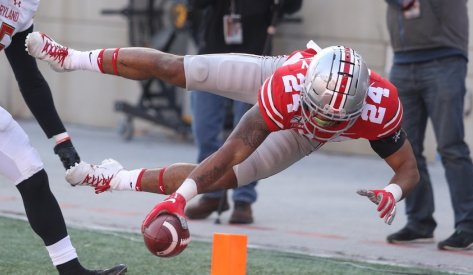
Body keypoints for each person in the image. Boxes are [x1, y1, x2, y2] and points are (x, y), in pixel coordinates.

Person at [25, 32, 420, 234]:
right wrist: (180, 201)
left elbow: (408, 169)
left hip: (302, 139)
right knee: (179, 68)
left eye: (338, 121)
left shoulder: (380, 107)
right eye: (322, 113)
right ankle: (70, 58)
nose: (327, 123)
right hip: (274, 79)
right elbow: (232, 148)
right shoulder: (288, 86)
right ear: (308, 90)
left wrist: (393, 190)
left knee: (222, 181)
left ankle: (112, 178)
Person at [0, 1, 127, 274]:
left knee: (31, 173)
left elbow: (29, 78)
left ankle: (70, 270)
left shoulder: (24, 6)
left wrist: (61, 139)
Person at [185, 0, 301, 224]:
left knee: (250, 134)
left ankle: (243, 199)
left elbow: (293, 5)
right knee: (204, 128)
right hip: (212, 54)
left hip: (256, 59)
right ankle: (210, 191)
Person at [383, 0, 473, 250]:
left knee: (451, 147)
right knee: (406, 149)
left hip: (444, 59)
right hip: (402, 60)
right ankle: (419, 222)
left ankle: (469, 225)